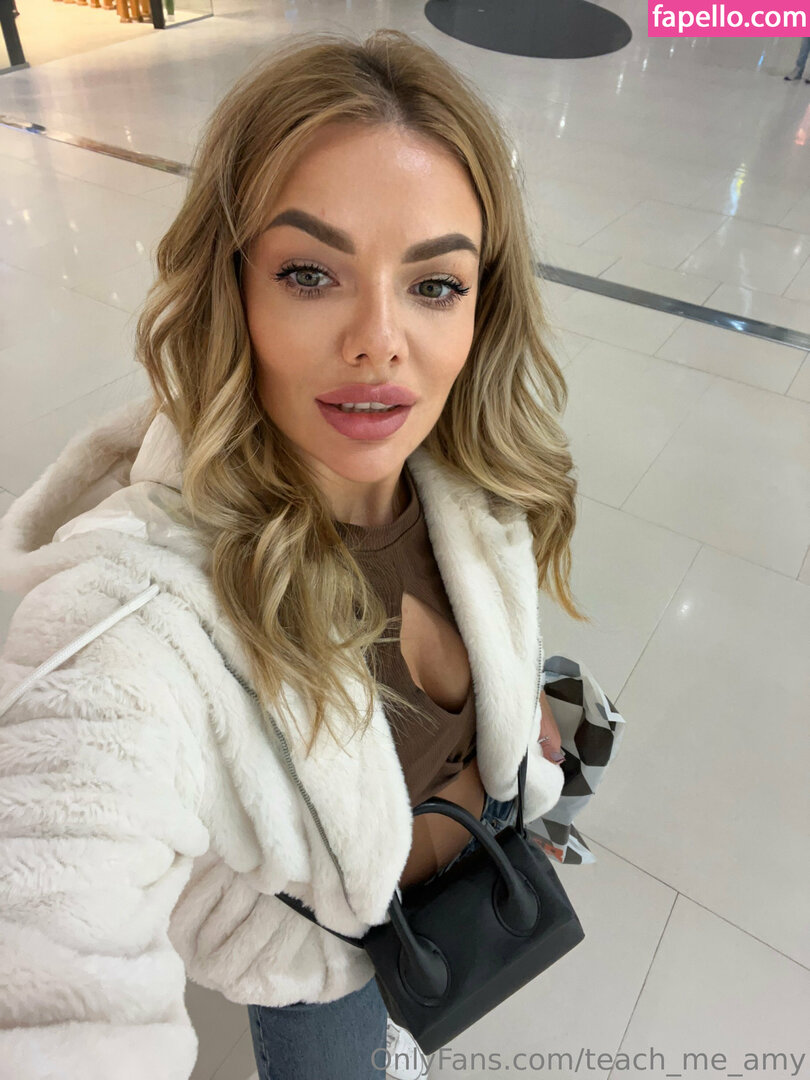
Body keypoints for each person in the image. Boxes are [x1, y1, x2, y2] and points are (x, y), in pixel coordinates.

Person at [0, 27, 588, 1080]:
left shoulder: (465, 474)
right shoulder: (132, 624)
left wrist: (511, 711)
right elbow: (44, 941)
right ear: (231, 286)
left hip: (469, 888)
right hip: (324, 970)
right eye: (311, 273)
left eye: (435, 285)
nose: (380, 341)